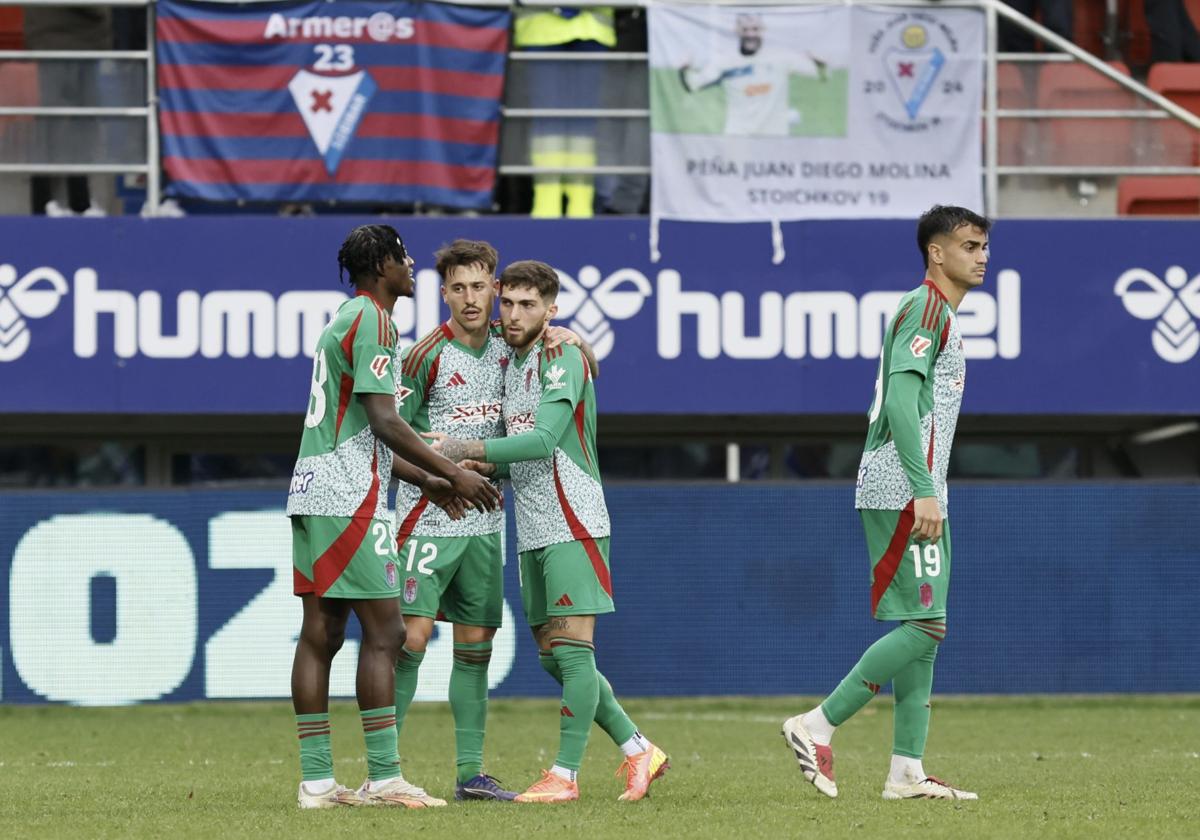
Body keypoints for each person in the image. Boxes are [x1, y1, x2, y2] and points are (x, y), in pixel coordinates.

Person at [433, 260, 668, 804]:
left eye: (528, 305)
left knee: (574, 652)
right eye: (508, 302)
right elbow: (523, 460)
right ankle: (639, 750)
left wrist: (462, 448)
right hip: (533, 527)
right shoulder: (513, 361)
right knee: (550, 655)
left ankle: (564, 776)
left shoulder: (561, 354)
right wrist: (481, 470)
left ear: (551, 310)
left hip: (573, 520)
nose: (514, 315)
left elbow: (543, 442)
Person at [286, 224, 502, 810]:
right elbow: (385, 420)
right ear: (382, 264)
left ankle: (316, 784)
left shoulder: (344, 317)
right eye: (404, 257)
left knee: (322, 634)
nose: (412, 267)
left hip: (313, 488)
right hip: (349, 498)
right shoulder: (377, 320)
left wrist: (427, 480)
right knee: (387, 633)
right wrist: (454, 472)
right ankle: (384, 779)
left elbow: (362, 431)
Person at [781, 206, 988, 802]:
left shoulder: (936, 312)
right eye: (969, 245)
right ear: (936, 253)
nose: (981, 255)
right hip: (903, 483)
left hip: (920, 484)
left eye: (984, 246)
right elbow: (901, 401)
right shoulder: (925, 307)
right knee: (926, 625)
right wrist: (923, 487)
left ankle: (905, 771)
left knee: (922, 625)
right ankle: (816, 725)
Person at [389, 239, 596, 801]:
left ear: (496, 290)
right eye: (458, 288)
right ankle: (383, 772)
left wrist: (576, 337)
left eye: (481, 287)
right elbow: (391, 440)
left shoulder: (517, 347)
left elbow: (560, 364)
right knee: (409, 639)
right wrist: (436, 479)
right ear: (444, 293)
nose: (472, 298)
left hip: (483, 523)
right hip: (429, 517)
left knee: (474, 649)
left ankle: (469, 776)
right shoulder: (424, 355)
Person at [679, 13, 827, 137]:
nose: (750, 34)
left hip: (774, 138)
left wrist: (821, 65)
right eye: (745, 29)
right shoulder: (724, 62)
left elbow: (821, 76)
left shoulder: (781, 57)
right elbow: (692, 85)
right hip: (738, 138)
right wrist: (684, 69)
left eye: (755, 29)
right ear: (737, 31)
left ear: (763, 30)